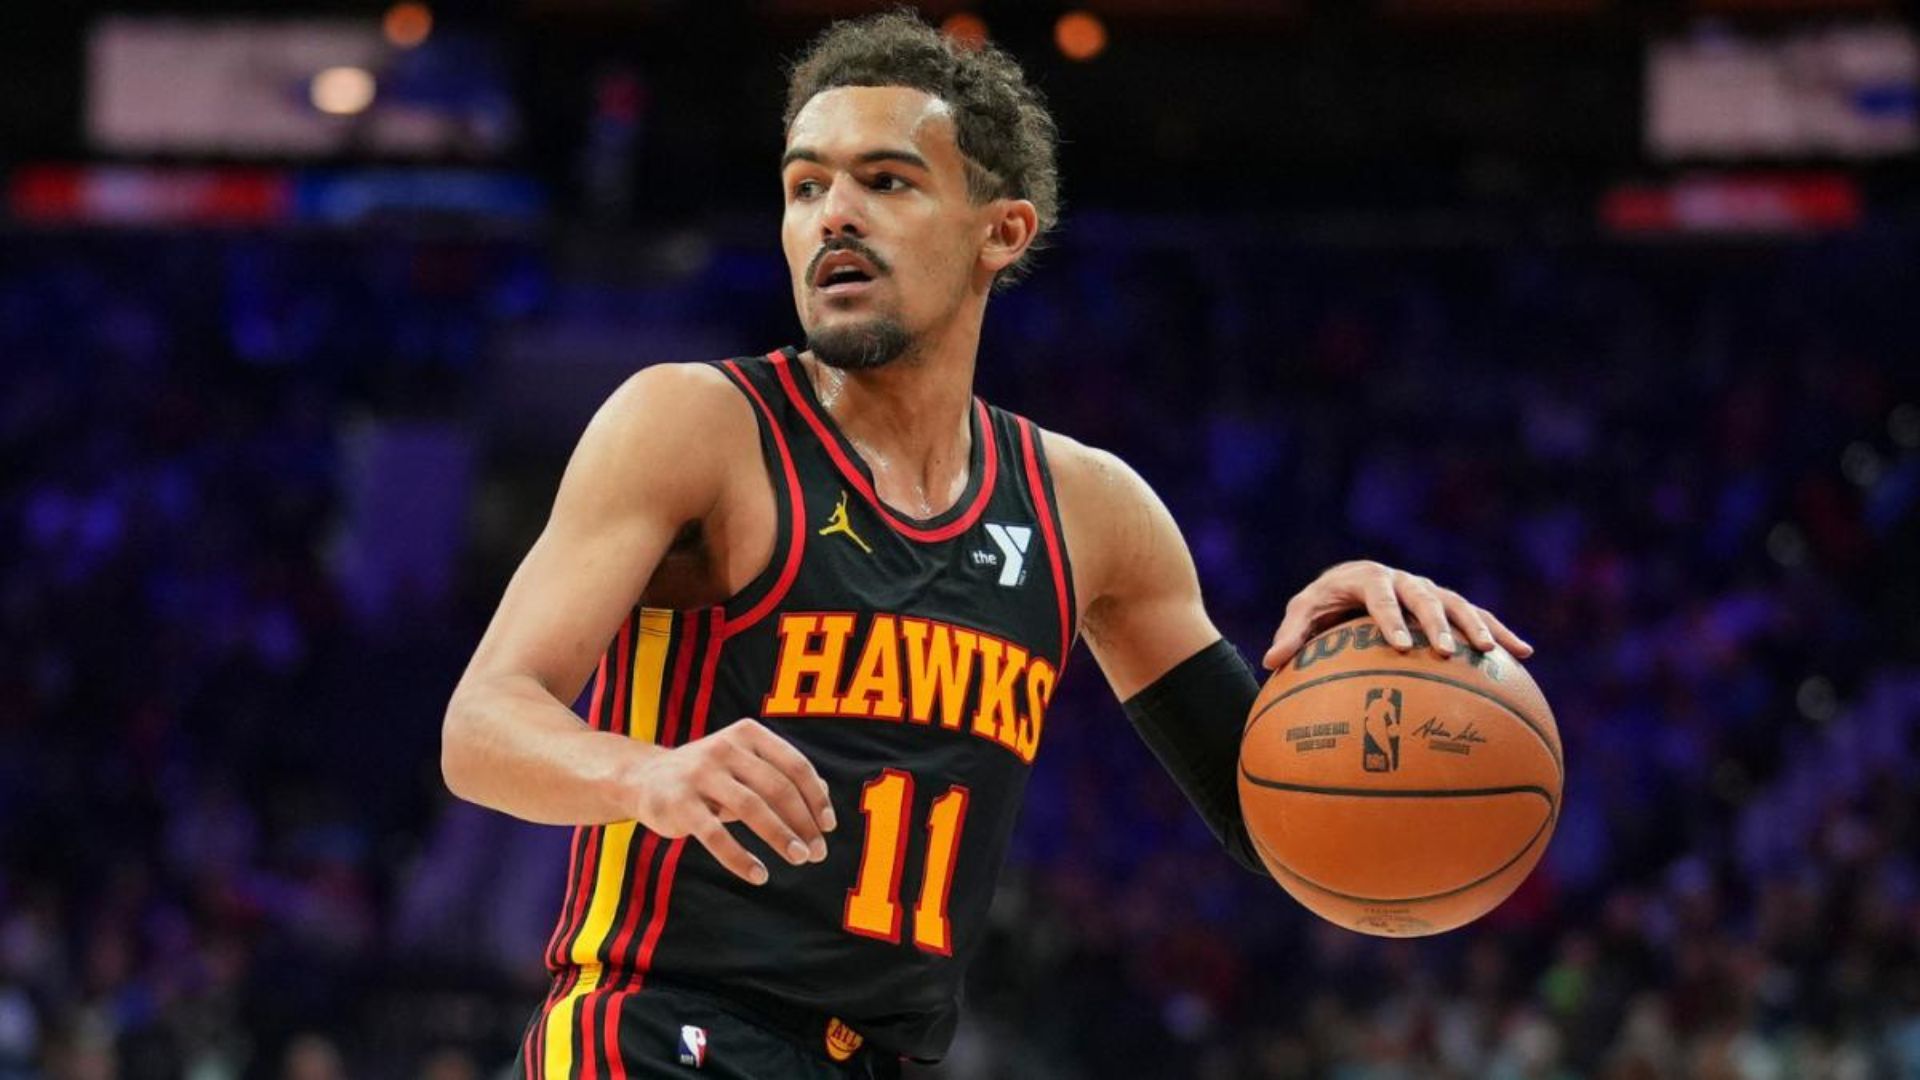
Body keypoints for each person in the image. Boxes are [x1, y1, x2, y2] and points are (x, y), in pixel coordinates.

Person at [441, 11, 1531, 1078]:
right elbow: (483, 725)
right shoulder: (697, 425)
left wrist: (1345, 652)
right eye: (806, 186)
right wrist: (644, 773)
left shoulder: (1091, 510)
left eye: (887, 181)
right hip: (657, 1031)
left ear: (1000, 232)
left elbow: (1280, 821)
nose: (834, 216)